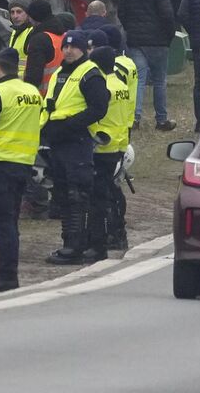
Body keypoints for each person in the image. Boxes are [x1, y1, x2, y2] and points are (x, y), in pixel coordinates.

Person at [0, 49, 43, 293]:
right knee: (11, 221)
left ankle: (6, 275)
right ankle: (7, 272)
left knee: (2, 223)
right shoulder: (32, 92)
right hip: (24, 163)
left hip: (0, 163)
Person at [42, 32, 112, 264]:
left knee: (77, 194)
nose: (69, 51)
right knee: (63, 194)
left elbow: (99, 107)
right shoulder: (59, 74)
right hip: (57, 141)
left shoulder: (89, 74)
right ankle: (69, 243)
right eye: (66, 47)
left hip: (77, 141)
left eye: (74, 47)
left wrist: (72, 125)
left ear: (83, 49)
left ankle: (76, 247)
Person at [85, 31, 136, 259]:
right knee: (111, 191)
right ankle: (117, 232)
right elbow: (126, 117)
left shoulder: (102, 86)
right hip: (118, 145)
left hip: (100, 146)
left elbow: (95, 116)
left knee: (97, 196)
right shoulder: (121, 84)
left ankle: (100, 240)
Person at [117, 0, 178, 132]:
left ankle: (134, 119)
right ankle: (161, 119)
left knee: (138, 80)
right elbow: (167, 14)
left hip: (135, 40)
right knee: (159, 81)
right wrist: (169, 35)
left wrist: (130, 29)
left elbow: (121, 12)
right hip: (158, 41)